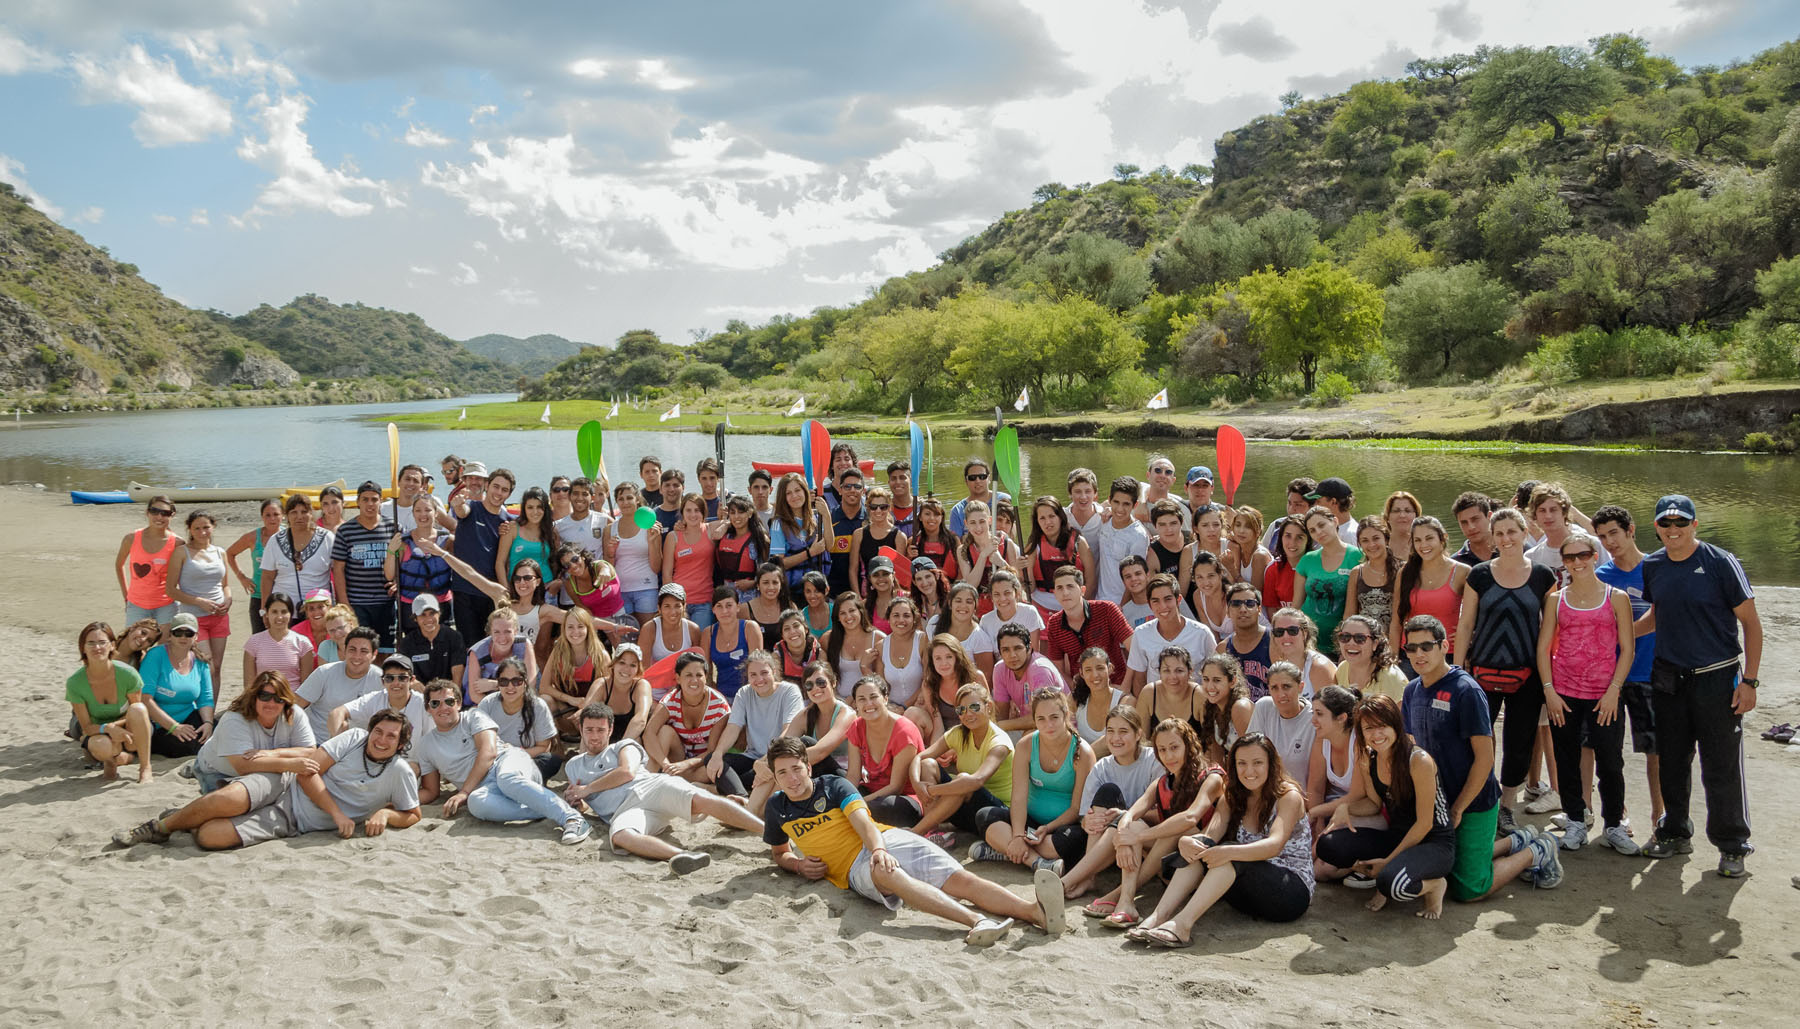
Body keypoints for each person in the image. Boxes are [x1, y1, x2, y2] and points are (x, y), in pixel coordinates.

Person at [762, 736, 1065, 947]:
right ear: (775, 778)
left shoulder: (834, 786)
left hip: (885, 839)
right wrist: (799, 865)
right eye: (783, 773)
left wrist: (879, 848)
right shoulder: (777, 808)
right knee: (885, 872)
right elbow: (779, 853)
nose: (792, 779)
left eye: (796, 769)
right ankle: (975, 920)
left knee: (959, 879)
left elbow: (863, 822)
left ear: (809, 767)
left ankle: (1035, 912)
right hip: (852, 868)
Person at [1636, 494, 1761, 877]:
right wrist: (1614, 638)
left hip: (1717, 678)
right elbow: (1657, 616)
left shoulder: (1720, 562)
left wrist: (1750, 682)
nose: (1673, 530)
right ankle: (1675, 831)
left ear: (1695, 525)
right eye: (1665, 524)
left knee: (1720, 765)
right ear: (1656, 528)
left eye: (1680, 523)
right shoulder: (1653, 566)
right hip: (1669, 679)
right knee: (1672, 760)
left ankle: (1732, 844)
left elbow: (1751, 625)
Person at [1401, 614, 1562, 901]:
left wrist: (1460, 807)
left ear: (1443, 646)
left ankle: (1537, 850)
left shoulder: (1467, 691)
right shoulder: (1412, 690)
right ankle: (1516, 840)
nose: (1418, 654)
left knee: (1468, 889)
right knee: (1439, 870)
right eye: (1411, 648)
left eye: (1426, 646)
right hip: (1437, 801)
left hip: (1473, 802)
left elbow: (1485, 759)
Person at [1127, 733, 1314, 946]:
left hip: (1288, 894)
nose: (1249, 771)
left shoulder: (1287, 796)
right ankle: (1158, 917)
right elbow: (1210, 836)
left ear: (1271, 764)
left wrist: (1228, 852)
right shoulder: (1232, 796)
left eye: (1258, 763)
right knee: (1200, 847)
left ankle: (1182, 926)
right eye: (1241, 763)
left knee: (1230, 851)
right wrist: (1186, 842)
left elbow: (1274, 845)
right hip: (1245, 892)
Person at [108, 672, 318, 848]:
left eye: (278, 699)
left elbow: (310, 750)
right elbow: (242, 765)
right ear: (254, 696)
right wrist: (290, 762)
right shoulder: (235, 718)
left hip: (263, 772)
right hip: (217, 771)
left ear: (286, 701)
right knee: (220, 807)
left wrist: (273, 754)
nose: (271, 703)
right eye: (264, 696)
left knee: (230, 816)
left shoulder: (294, 714)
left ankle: (182, 816)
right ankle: (161, 827)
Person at [176, 711, 423, 851]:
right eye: (378, 731)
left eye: (391, 736)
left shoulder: (400, 772)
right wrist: (337, 814)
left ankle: (191, 817)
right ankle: (165, 825)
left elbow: (413, 813)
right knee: (228, 799)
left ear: (400, 745)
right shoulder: (355, 738)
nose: (381, 740)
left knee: (210, 837)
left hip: (295, 820)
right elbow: (308, 772)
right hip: (285, 783)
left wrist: (386, 815)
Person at [1453, 507, 1557, 833]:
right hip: (1482, 670)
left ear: (1524, 533)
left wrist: (1548, 679)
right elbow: (1466, 622)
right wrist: (1457, 672)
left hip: (1527, 673)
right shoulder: (1480, 574)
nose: (1506, 538)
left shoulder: (1543, 576)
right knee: (1479, 739)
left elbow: (1548, 632)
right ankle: (1483, 800)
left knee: (1520, 741)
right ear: (1493, 538)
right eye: (1499, 533)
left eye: (1512, 532)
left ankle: (1508, 805)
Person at [1062, 719, 1222, 928]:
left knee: (1177, 830)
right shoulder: (1162, 783)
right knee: (1132, 825)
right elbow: (1131, 813)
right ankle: (1125, 904)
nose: (1169, 756)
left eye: (1174, 747)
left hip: (1197, 862)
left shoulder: (1212, 777)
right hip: (1165, 861)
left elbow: (1190, 817)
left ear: (1189, 745)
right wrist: (1124, 835)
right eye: (1162, 750)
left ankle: (1111, 892)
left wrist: (1138, 837)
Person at [565, 702, 761, 871]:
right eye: (589, 730)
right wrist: (577, 801)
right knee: (620, 836)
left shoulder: (623, 746)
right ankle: (683, 855)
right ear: (581, 730)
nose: (594, 736)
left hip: (650, 788)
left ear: (610, 730)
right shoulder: (573, 765)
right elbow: (585, 802)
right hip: (623, 810)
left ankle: (766, 830)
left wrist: (588, 789)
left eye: (600, 730)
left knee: (701, 800)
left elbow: (627, 772)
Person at [1536, 529, 1635, 853]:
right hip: (1564, 693)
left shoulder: (1616, 597)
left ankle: (1613, 826)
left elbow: (1627, 648)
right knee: (1567, 759)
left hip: (1603, 694)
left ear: (1594, 557)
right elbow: (1543, 648)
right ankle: (1576, 821)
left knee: (1610, 762)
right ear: (1563, 563)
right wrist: (1549, 691)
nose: (1577, 562)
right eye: (1570, 557)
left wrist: (1613, 691)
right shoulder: (1556, 599)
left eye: (1583, 555)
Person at [1314, 694, 1457, 917]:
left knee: (1392, 885)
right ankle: (1385, 873)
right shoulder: (1368, 758)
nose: (1376, 734)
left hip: (1433, 843)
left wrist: (1388, 861)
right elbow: (1373, 804)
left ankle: (1434, 885)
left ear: (1396, 725)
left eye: (1383, 726)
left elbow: (1425, 823)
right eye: (1369, 728)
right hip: (1396, 836)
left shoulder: (1418, 761)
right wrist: (1345, 808)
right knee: (1328, 846)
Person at [415, 680, 590, 844]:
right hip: (485, 789)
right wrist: (397, 802)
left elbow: (489, 753)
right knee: (476, 803)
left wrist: (463, 792)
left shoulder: (472, 716)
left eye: (449, 702)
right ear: (428, 709)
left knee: (506, 778)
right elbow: (431, 791)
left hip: (508, 762)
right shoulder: (426, 745)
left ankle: (571, 818)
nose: (443, 707)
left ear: (459, 704)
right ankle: (552, 806)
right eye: (435, 704)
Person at [1592, 504, 1663, 830]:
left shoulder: (1657, 568)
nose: (1610, 542)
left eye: (1614, 533)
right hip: (1611, 676)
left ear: (1631, 530)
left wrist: (1624, 632)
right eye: (1603, 536)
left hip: (1650, 672)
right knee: (1607, 751)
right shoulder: (1601, 577)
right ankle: (1616, 815)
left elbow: (1663, 616)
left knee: (1656, 750)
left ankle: (1659, 815)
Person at [971, 688, 1095, 874]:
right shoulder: (1026, 745)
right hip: (1030, 826)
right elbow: (1019, 797)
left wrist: (1048, 828)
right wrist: (1019, 835)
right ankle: (1038, 862)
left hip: (1060, 828)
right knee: (984, 816)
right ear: (1034, 720)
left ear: (1066, 715)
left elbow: (1077, 809)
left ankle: (1006, 850)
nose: (1048, 725)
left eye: (1054, 717)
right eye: (1041, 719)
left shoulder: (1082, 752)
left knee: (1065, 844)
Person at [908, 682, 1015, 845]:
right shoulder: (959, 733)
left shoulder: (999, 742)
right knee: (928, 764)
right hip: (966, 808)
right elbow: (919, 758)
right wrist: (917, 785)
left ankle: (917, 832)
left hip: (995, 815)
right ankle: (933, 831)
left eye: (974, 706)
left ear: (989, 706)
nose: (968, 714)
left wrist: (931, 790)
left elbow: (976, 781)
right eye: (961, 710)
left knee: (964, 781)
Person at [706, 650, 806, 808]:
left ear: (774, 671)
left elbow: (789, 731)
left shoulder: (789, 691)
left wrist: (765, 760)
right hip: (753, 758)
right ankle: (743, 798)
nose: (759, 679)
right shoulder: (744, 693)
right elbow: (733, 727)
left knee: (759, 774)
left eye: (764, 673)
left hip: (777, 757)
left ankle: (735, 793)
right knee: (714, 760)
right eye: (753, 675)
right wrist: (718, 754)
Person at [68, 621, 155, 782]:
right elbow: (86, 727)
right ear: (83, 648)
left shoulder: (128, 674)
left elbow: (135, 713)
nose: (97, 648)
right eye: (91, 643)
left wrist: (116, 727)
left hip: (129, 730)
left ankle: (145, 767)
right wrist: (107, 728)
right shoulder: (75, 682)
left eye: (102, 642)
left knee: (139, 709)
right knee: (102, 746)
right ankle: (111, 761)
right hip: (99, 731)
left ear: (112, 645)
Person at [164, 510, 232, 696]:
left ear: (213, 527)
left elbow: (225, 585)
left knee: (216, 667)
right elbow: (170, 590)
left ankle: (211, 712)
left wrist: (228, 599)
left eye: (206, 527)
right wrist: (199, 602)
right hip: (193, 619)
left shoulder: (220, 552)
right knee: (205, 665)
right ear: (190, 530)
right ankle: (199, 709)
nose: (202, 532)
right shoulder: (181, 552)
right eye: (197, 528)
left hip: (219, 617)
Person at [1391, 516, 1469, 674]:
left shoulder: (1462, 572)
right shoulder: (1405, 573)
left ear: (1443, 538)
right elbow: (1396, 622)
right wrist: (1392, 662)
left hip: (1447, 655)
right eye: (1417, 540)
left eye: (1429, 538)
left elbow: (1471, 617)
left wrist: (1469, 640)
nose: (1423, 545)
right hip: (1411, 656)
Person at [448, 462, 515, 644]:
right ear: (487, 486)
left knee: (493, 644)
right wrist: (457, 505)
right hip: (465, 590)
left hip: (492, 593)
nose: (498, 493)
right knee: (471, 645)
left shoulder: (509, 522)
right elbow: (462, 512)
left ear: (509, 494)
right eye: (495, 486)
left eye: (504, 490)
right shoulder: (471, 508)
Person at [846, 675, 926, 824]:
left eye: (873, 697)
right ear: (856, 704)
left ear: (885, 698)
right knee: (838, 789)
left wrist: (857, 804)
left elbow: (896, 787)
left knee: (882, 807)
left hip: (903, 798)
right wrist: (844, 799)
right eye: (862, 699)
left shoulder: (904, 732)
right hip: (871, 790)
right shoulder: (857, 726)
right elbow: (852, 775)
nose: (868, 703)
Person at [643, 652, 732, 784]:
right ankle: (649, 781)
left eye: (699, 675)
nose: (694, 680)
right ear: (678, 678)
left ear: (706, 677)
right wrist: (665, 763)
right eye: (688, 675)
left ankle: (667, 780)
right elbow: (648, 734)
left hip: (701, 763)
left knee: (711, 771)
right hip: (675, 758)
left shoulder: (719, 706)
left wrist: (685, 765)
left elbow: (712, 751)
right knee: (664, 731)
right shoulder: (669, 701)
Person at [331, 480, 397, 651]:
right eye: (365, 499)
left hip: (386, 603)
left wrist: (398, 581)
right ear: (357, 502)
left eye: (374, 499)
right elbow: (338, 569)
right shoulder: (346, 531)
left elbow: (402, 561)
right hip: (358, 603)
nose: (370, 504)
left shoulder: (393, 527)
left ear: (381, 501)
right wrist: (344, 602)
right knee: (361, 649)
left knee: (386, 650)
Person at [1040, 565, 1132, 686]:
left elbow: (1134, 648)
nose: (1065, 593)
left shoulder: (1107, 609)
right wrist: (1076, 692)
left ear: (1082, 590)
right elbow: (1058, 670)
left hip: (1116, 684)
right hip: (1082, 691)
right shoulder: (1054, 624)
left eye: (1070, 586)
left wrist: (1125, 686)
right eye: (1060, 588)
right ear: (1055, 593)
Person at [138, 613, 215, 757]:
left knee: (219, 731)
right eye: (178, 633)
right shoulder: (155, 656)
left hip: (188, 718)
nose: (183, 637)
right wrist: (174, 727)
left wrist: (208, 723)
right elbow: (145, 698)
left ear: (196, 637)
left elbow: (205, 698)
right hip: (158, 723)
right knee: (186, 746)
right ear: (170, 636)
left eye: (189, 633)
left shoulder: (201, 661)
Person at [1124, 574, 1214, 696]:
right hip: (1156, 709)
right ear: (1149, 605)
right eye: (1155, 601)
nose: (1163, 606)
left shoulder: (1202, 633)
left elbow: (1215, 673)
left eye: (1168, 599)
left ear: (1178, 600)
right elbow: (1139, 679)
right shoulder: (1140, 634)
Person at [1294, 505, 1362, 658]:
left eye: (1321, 525)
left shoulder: (1357, 556)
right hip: (1310, 642)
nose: (1318, 532)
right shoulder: (1307, 560)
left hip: (1344, 643)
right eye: (1312, 530)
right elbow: (1296, 606)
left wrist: (1346, 641)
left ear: (1335, 521)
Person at [477, 657, 561, 779]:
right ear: (498, 683)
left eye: (516, 681)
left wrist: (514, 753)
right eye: (504, 681)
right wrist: (501, 754)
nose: (510, 687)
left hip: (524, 757)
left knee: (551, 761)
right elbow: (477, 741)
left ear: (525, 682)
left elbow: (544, 747)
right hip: (493, 758)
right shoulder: (488, 703)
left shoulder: (538, 706)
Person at [295, 626, 381, 740]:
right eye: (352, 649)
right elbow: (295, 705)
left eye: (364, 651)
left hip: (360, 746)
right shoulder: (324, 673)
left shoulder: (381, 679)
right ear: (344, 650)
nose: (357, 656)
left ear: (374, 654)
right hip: (318, 741)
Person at [387, 494, 455, 637]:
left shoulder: (448, 541)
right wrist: (391, 551)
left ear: (436, 513)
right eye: (418, 510)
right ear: (413, 513)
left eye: (427, 510)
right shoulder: (403, 542)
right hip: (411, 604)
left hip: (441, 603)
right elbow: (389, 574)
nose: (423, 514)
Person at [539, 607, 608, 739]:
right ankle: (555, 745)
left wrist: (585, 707)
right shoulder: (557, 653)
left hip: (591, 713)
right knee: (545, 700)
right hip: (566, 712)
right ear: (564, 630)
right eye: (570, 627)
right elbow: (544, 687)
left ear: (588, 629)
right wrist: (572, 700)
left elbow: (606, 692)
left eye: (580, 626)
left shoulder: (600, 656)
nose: (575, 632)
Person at [260, 492, 335, 612]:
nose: (299, 516)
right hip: (283, 612)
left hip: (318, 610)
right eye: (294, 512)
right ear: (287, 515)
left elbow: (338, 573)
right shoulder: (275, 541)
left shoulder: (327, 538)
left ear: (311, 513)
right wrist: (264, 609)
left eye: (304, 512)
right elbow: (267, 577)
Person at [1303, 684, 1361, 839]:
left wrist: (1315, 813)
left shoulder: (1359, 744)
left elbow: (1356, 796)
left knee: (1324, 854)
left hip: (1361, 811)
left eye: (1319, 714)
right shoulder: (1321, 740)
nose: (1313, 721)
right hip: (1331, 808)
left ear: (1342, 718)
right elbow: (1315, 788)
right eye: (1313, 713)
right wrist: (1318, 823)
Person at [604, 481, 664, 628]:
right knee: (627, 638)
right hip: (620, 591)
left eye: (629, 498)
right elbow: (608, 568)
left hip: (647, 589)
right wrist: (611, 553)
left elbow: (657, 567)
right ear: (616, 501)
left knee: (648, 633)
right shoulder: (609, 529)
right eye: (621, 499)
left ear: (637, 498)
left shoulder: (650, 525)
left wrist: (651, 542)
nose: (625, 503)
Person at [116, 495, 179, 631]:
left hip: (166, 605)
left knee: (165, 648)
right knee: (134, 647)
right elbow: (119, 565)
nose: (159, 517)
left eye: (165, 513)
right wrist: (126, 596)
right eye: (154, 511)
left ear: (171, 515)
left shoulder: (177, 543)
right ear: (147, 512)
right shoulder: (131, 539)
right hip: (137, 605)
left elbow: (183, 574)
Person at [782, 660, 855, 776]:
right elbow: (782, 745)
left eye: (820, 682)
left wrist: (782, 764)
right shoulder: (806, 715)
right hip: (816, 770)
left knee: (806, 742)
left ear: (833, 682)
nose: (815, 688)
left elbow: (821, 752)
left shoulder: (846, 714)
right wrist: (761, 763)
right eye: (809, 685)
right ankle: (745, 794)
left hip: (844, 775)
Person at [329, 653, 427, 738]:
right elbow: (337, 713)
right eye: (389, 678)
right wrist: (337, 742)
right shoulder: (374, 699)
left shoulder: (424, 704)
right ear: (382, 681)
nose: (396, 683)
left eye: (402, 678)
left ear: (412, 680)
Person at [1250, 662, 1317, 785]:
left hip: (1301, 796)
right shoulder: (1263, 706)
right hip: (1267, 793)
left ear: (1300, 687)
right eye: (1274, 688)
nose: (1281, 694)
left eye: (1286, 686)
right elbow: (1250, 753)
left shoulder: (1315, 718)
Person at [1023, 497, 1093, 613]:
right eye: (1042, 518)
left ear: (1060, 517)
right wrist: (1026, 568)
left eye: (1052, 516)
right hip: (1042, 606)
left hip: (1075, 606)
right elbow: (1030, 589)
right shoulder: (1033, 547)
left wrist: (1079, 607)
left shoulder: (1079, 543)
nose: (1048, 522)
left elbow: (1091, 580)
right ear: (1037, 522)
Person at [991, 622, 1065, 731]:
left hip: (1058, 729)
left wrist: (999, 726)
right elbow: (1002, 716)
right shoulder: (1000, 669)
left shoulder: (1040, 670)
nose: (1012, 655)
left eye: (1018, 648)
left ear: (1029, 648)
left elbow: (1045, 717)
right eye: (1006, 650)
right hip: (1028, 728)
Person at [240, 592, 316, 695]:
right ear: (267, 613)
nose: (279, 617)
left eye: (284, 612)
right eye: (274, 612)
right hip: (262, 701)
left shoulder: (302, 643)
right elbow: (249, 685)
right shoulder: (254, 642)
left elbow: (306, 686)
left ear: (291, 614)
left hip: (292, 701)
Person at [1090, 476, 1149, 606]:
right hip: (1100, 599)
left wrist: (1122, 607)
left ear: (1135, 505)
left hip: (1122, 605)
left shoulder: (1138, 536)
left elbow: (1136, 579)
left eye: (1126, 504)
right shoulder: (1104, 521)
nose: (1120, 509)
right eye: (1116, 502)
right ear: (1109, 500)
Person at [226, 498, 283, 634]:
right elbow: (229, 553)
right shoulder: (252, 537)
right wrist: (242, 577)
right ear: (262, 517)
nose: (272, 519)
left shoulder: (288, 535)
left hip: (282, 594)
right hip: (258, 594)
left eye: (276, 514)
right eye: (267, 515)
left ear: (283, 515)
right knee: (259, 639)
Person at [553, 546, 629, 646]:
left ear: (583, 556)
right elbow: (582, 608)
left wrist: (604, 572)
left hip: (621, 611)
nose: (573, 566)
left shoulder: (598, 566)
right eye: (567, 566)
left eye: (575, 559)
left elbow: (604, 568)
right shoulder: (570, 584)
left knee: (626, 646)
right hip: (598, 619)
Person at [663, 493, 718, 628]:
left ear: (703, 512)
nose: (693, 514)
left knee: (700, 643)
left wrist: (724, 519)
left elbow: (731, 522)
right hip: (679, 601)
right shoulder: (673, 536)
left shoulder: (711, 530)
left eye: (697, 510)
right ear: (682, 512)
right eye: (688, 510)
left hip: (704, 601)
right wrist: (672, 602)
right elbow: (667, 573)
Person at [464, 607, 537, 705]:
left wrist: (496, 685)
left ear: (516, 631)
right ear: (490, 632)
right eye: (497, 632)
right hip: (487, 703)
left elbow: (531, 684)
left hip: (519, 700)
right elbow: (474, 695)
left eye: (507, 631)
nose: (502, 638)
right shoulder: (477, 652)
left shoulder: (525, 645)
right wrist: (500, 710)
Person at [1195, 653, 1255, 765]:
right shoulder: (1210, 707)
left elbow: (1251, 753)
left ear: (1232, 682)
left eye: (1217, 680)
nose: (1210, 687)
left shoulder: (1240, 708)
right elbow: (1216, 756)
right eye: (1206, 679)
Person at [1344, 515, 1400, 635]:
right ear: (1359, 543)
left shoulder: (1401, 569)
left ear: (1386, 539)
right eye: (1365, 541)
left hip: (1396, 640)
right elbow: (1349, 614)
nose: (1371, 545)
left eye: (1376, 538)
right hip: (1364, 642)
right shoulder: (1356, 572)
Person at [931, 582, 996, 681]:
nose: (963, 606)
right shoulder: (934, 624)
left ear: (975, 607)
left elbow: (986, 681)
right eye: (958, 601)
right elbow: (927, 665)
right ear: (950, 603)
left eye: (969, 602)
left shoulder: (981, 638)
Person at [1137, 645, 1200, 747]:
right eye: (1166, 671)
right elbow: (1141, 741)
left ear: (1189, 672)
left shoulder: (1198, 695)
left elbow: (1211, 744)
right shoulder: (1149, 693)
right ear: (1159, 673)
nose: (1173, 677)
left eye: (1179, 671)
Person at [712, 494, 772, 601]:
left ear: (749, 514)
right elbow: (715, 535)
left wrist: (754, 583)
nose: (736, 517)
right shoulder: (725, 536)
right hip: (726, 596)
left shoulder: (758, 540)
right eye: (732, 513)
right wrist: (726, 524)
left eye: (741, 512)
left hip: (750, 596)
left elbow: (768, 570)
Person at [1218, 581, 1272, 698]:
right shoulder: (1223, 649)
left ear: (1259, 610)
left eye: (1250, 603)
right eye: (1236, 604)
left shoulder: (1275, 641)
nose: (1243, 609)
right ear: (1227, 611)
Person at [397, 594, 465, 688]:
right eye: (423, 615)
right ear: (415, 618)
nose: (428, 619)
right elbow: (404, 674)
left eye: (432, 613)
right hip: (420, 696)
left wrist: (452, 697)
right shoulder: (407, 643)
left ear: (439, 613)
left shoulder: (454, 637)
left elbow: (457, 675)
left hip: (448, 694)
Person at [1334, 614, 1406, 701]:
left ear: (1375, 644)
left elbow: (1400, 714)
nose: (1351, 643)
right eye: (1345, 637)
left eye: (1360, 638)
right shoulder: (1342, 668)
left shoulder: (1391, 677)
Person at [1269, 607, 1336, 700]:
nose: (1285, 636)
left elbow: (1329, 711)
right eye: (1279, 632)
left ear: (1304, 633)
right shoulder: (1280, 663)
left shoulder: (1319, 667)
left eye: (1292, 631)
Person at [825, 592, 882, 698]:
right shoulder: (828, 639)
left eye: (852, 611)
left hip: (869, 700)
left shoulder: (878, 638)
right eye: (842, 613)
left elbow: (883, 682)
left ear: (861, 611)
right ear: (837, 617)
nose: (848, 617)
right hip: (840, 702)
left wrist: (864, 667)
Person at [594, 642, 654, 737]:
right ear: (613, 664)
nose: (626, 669)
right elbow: (586, 717)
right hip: (605, 738)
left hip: (634, 737)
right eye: (622, 662)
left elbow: (640, 720)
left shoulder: (641, 685)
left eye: (633, 665)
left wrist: (620, 747)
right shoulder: (601, 684)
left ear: (638, 669)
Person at [1069, 647, 1125, 746]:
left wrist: (1085, 758)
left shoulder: (1125, 701)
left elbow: (1113, 740)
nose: (1095, 675)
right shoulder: (1074, 699)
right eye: (1088, 670)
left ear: (1110, 668)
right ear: (1081, 673)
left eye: (1100, 668)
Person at [825, 468, 868, 597]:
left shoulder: (871, 519)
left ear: (863, 491)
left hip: (865, 593)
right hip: (834, 593)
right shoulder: (829, 519)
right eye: (847, 486)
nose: (852, 490)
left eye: (857, 486)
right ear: (840, 489)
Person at [640, 583, 702, 664]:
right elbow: (643, 666)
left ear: (684, 607)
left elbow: (697, 665)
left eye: (677, 606)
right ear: (659, 608)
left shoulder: (693, 629)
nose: (673, 612)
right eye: (667, 606)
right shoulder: (649, 629)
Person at [1263, 517, 1312, 618]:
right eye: (1288, 536)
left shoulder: (1316, 566)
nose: (1292, 543)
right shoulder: (1273, 568)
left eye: (1300, 537)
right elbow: (1271, 608)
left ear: (1308, 540)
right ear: (1280, 537)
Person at [553, 476, 612, 560]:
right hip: (572, 572)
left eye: (584, 494)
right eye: (576, 493)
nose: (580, 498)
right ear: (569, 496)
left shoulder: (605, 520)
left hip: (598, 571)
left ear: (592, 498)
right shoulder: (558, 526)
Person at [948, 458, 1010, 537]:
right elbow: (955, 542)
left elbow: (1013, 530)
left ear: (989, 479)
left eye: (982, 476)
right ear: (966, 481)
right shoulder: (957, 510)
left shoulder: (1005, 499)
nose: (977, 481)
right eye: (972, 478)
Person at [1145, 500, 1193, 598]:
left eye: (1173, 523)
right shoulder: (1152, 555)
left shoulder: (1193, 539)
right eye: (1162, 525)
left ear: (1181, 523)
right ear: (1155, 527)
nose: (1169, 530)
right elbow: (1155, 594)